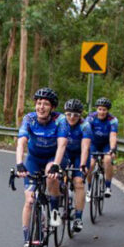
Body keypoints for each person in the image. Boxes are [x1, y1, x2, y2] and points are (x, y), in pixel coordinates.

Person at [15, 88, 62, 247]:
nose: (41, 107)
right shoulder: (29, 119)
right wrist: (19, 163)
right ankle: (27, 242)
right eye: (39, 103)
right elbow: (21, 142)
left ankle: (55, 208)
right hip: (33, 159)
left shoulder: (60, 120)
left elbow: (62, 144)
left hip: (52, 157)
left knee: (51, 175)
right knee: (29, 200)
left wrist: (56, 164)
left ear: (52, 107)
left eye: (46, 104)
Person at [51, 98, 92, 234]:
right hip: (65, 152)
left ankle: (78, 218)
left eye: (75, 114)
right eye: (69, 114)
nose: (72, 117)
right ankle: (63, 193)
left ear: (80, 115)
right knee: (56, 175)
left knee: (78, 182)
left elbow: (85, 147)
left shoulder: (85, 126)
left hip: (80, 154)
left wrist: (82, 165)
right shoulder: (60, 122)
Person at [86, 97, 119, 198]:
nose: (101, 112)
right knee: (90, 164)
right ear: (96, 109)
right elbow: (86, 134)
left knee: (108, 160)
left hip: (106, 144)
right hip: (94, 143)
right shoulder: (90, 118)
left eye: (104, 109)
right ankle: (89, 187)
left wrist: (112, 149)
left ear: (107, 110)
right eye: (100, 109)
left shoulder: (112, 120)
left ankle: (108, 186)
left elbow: (113, 136)